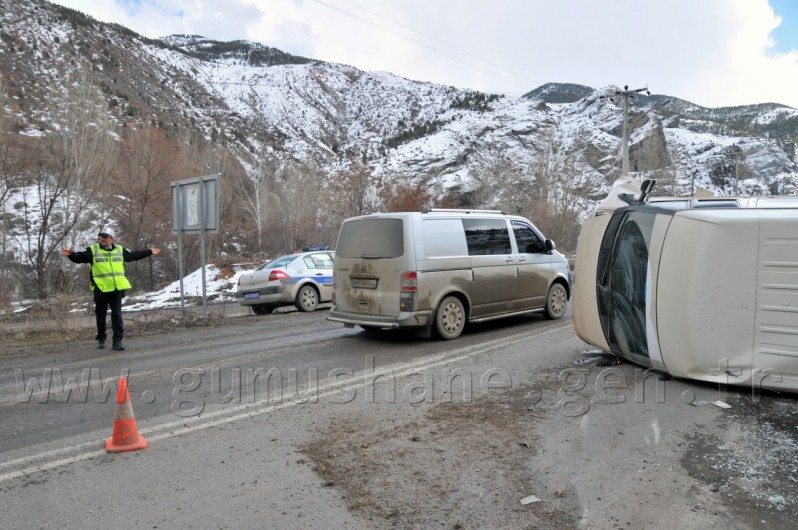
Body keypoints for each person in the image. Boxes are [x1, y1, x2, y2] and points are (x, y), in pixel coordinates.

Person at [63, 229, 161, 351]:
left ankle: (117, 341)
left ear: (112, 238)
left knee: (117, 316)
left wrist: (149, 252)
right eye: (101, 237)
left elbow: (133, 255)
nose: (102, 239)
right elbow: (79, 257)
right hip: (101, 289)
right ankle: (101, 339)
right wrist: (71, 254)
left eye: (105, 236)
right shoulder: (94, 250)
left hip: (116, 289)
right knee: (101, 316)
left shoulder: (120, 250)